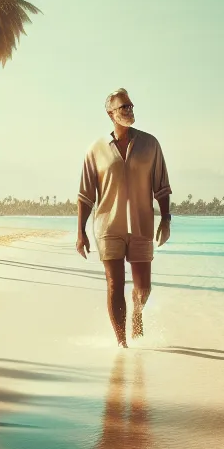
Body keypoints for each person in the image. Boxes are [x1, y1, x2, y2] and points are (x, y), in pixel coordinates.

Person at [77, 88, 172, 347]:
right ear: (111, 113)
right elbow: (85, 196)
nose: (129, 111)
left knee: (143, 289)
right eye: (123, 108)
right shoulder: (95, 149)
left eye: (131, 106)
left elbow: (161, 186)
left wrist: (166, 219)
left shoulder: (150, 144)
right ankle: (122, 343)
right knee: (113, 284)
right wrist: (80, 232)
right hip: (108, 227)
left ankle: (137, 315)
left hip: (142, 226)